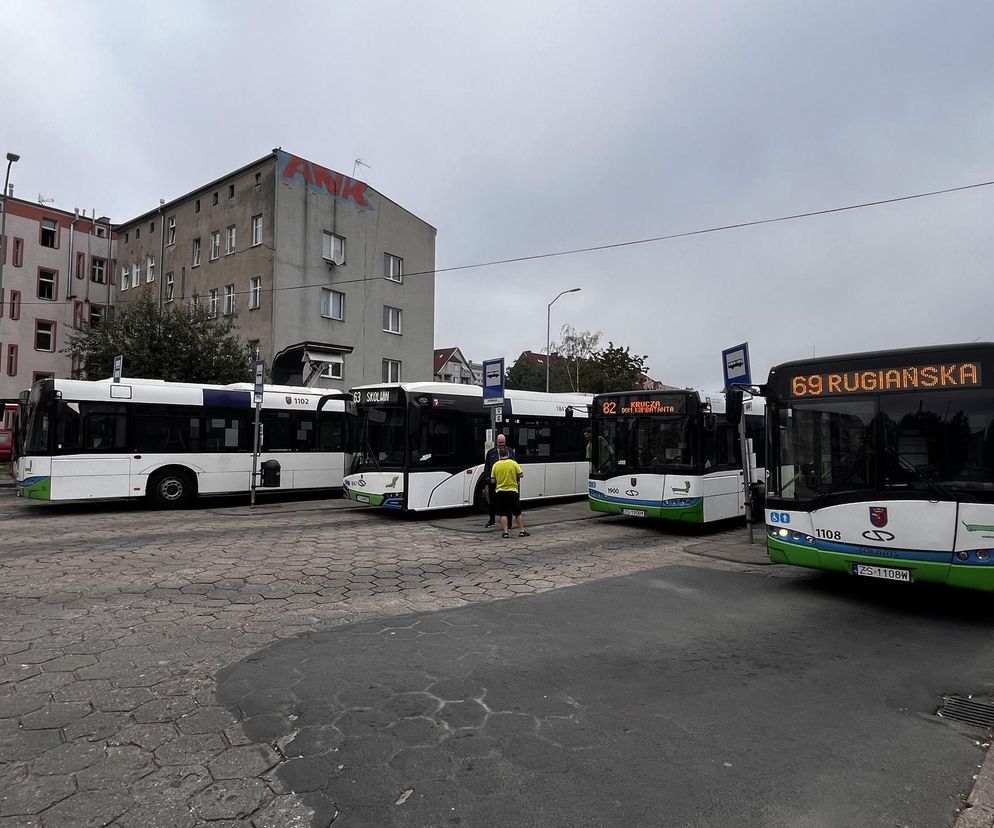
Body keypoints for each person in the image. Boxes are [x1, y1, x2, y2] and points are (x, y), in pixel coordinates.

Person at [491, 447, 529, 538]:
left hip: (500, 492)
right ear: (508, 454)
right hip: (512, 491)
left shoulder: (495, 465)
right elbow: (521, 475)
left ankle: (505, 532)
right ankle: (522, 531)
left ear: (500, 455)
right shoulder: (513, 463)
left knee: (503, 513)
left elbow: (492, 480)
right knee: (517, 512)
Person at [483, 433, 515, 527]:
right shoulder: (491, 452)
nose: (501, 444)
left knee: (507, 503)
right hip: (494, 482)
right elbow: (487, 467)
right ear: (497, 441)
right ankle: (492, 520)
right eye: (500, 442)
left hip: (506, 482)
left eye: (503, 442)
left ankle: (509, 522)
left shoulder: (509, 451)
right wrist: (488, 479)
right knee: (492, 502)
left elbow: (514, 464)